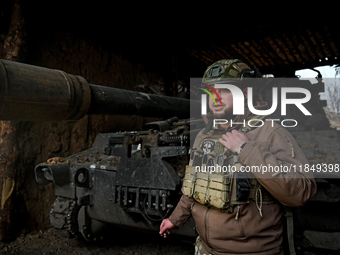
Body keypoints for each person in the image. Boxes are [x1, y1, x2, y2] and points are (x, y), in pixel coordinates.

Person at [159, 59, 317, 255]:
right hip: (205, 248)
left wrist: (246, 149)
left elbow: (302, 192)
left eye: (225, 90)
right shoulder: (204, 135)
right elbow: (194, 185)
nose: (215, 97)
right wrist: (175, 219)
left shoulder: (270, 132)